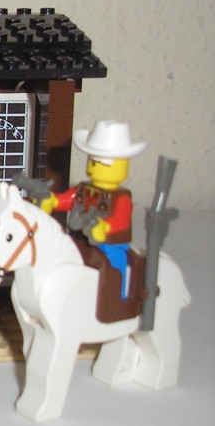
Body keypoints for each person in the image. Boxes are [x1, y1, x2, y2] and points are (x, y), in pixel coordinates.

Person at [41, 120, 146, 300]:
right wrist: (53, 201)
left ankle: (115, 299)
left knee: (114, 263)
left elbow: (120, 220)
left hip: (109, 244)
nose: (94, 165)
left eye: (102, 161)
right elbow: (69, 199)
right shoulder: (84, 188)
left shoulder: (121, 197)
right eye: (92, 160)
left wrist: (103, 227)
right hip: (79, 238)